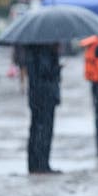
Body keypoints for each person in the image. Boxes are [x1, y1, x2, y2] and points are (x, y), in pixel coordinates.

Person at [25, 43, 62, 174]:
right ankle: (42, 165)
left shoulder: (31, 48)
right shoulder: (44, 50)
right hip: (45, 96)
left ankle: (34, 164)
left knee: (36, 129)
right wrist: (57, 68)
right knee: (44, 130)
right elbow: (45, 70)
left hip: (36, 95)